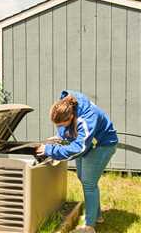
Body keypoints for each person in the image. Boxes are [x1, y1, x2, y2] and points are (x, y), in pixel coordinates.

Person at [35, 90, 118, 233]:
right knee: (83, 177)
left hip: (103, 145)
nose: (60, 128)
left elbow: (79, 147)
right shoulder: (66, 104)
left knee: (89, 183)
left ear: (72, 116)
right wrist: (61, 137)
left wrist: (50, 150)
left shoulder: (86, 119)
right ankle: (97, 215)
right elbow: (70, 131)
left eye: (62, 125)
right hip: (89, 143)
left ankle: (89, 226)